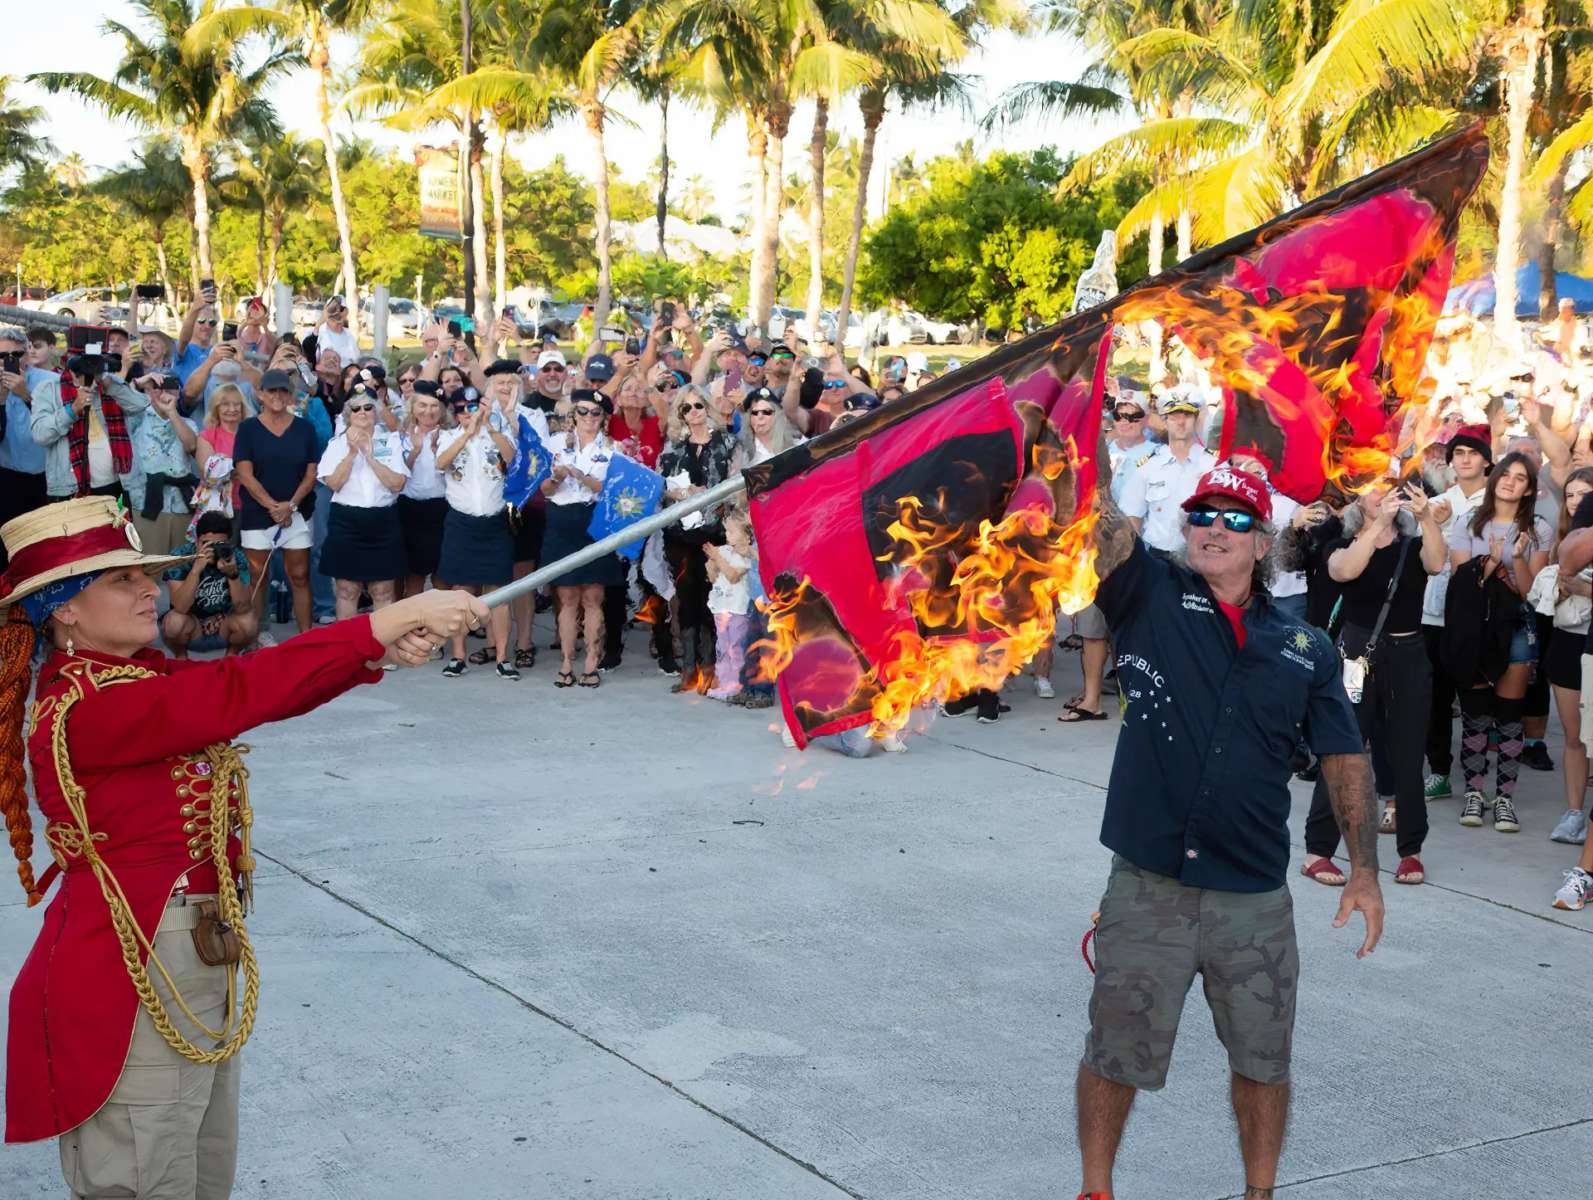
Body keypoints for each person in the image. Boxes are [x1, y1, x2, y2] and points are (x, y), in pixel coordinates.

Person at [0, 494, 485, 1193]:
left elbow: (257, 684)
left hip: (182, 946)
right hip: (135, 958)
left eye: (147, 575)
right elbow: (239, 689)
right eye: (123, 579)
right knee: (149, 1173)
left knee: (197, 1170)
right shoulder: (90, 706)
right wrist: (391, 617)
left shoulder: (129, 679)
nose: (152, 590)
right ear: (65, 608)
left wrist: (373, 649)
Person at [1074, 461, 1380, 1200]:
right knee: (1115, 1054)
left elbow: (1343, 756)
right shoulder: (1146, 592)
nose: (1214, 528)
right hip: (1148, 887)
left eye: (1234, 518)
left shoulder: (1302, 646)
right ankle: (1094, 1190)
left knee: (1262, 1061)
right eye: (1201, 516)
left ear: (1263, 539)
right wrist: (1070, 430)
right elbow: (1092, 513)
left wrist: (1364, 869)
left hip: (1251, 897)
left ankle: (1259, 1192)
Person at [1300, 481, 1445, 887]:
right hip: (1356, 655)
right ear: (1357, 499)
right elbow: (1346, 570)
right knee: (1342, 751)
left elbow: (1436, 563)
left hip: (1409, 655)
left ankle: (1410, 853)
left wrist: (1426, 518)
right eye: (1373, 488)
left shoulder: (1411, 545)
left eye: (1390, 488)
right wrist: (1375, 525)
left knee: (1407, 755)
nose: (1383, 494)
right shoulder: (1340, 541)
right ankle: (1318, 852)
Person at [1446, 450, 1553, 833]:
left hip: (1517, 626)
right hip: (1475, 628)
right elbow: (1461, 582)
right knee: (1475, 714)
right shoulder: (1468, 523)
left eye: (1520, 478)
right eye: (1506, 474)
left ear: (1528, 489)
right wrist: (1490, 564)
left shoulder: (1537, 528)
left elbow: (1530, 592)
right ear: (1496, 479)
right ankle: (1474, 792)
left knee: (1509, 716)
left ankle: (1504, 798)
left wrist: (1518, 559)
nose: (1510, 481)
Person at [1421, 424, 1491, 801]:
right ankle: (1440, 770)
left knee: (1474, 694)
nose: (1464, 460)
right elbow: (1428, 553)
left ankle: (1476, 779)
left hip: (1476, 611)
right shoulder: (1437, 501)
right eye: (1458, 454)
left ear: (1486, 460)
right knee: (1436, 695)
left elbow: (1487, 550)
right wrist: (1439, 526)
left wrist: (1448, 529)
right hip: (1434, 612)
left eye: (1472, 453)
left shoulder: (1497, 500)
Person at [540, 389, 624, 688]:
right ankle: (565, 660)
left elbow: (608, 488)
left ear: (604, 419)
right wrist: (558, 478)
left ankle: (591, 660)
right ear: (574, 415)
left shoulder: (614, 449)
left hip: (594, 522)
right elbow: (545, 490)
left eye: (596, 413)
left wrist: (577, 475)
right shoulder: (555, 444)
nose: (589, 418)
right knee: (566, 597)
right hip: (562, 522)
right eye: (584, 412)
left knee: (593, 597)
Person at [434, 384, 519, 678]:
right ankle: (458, 655)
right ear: (454, 412)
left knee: (499, 593)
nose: (468, 413)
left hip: (494, 521)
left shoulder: (497, 434)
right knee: (461, 593)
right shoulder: (448, 436)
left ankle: (503, 657)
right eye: (462, 409)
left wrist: (489, 428)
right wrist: (467, 434)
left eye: (474, 407)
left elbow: (511, 458)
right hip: (461, 521)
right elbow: (440, 462)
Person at [658, 387, 737, 690]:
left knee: (714, 601)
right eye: (685, 408)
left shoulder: (728, 443)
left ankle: (712, 668)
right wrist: (678, 493)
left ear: (708, 408)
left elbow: (738, 486)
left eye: (698, 405)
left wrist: (714, 499)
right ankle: (689, 670)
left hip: (718, 534)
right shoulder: (673, 448)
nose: (693, 412)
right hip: (681, 536)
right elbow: (662, 487)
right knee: (687, 600)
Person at [233, 369, 320, 637]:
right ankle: (258, 635)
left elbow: (311, 474)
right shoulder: (247, 429)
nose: (278, 396)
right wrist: (274, 507)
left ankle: (306, 636)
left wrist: (290, 506)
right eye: (272, 390)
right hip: (258, 514)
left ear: (291, 394)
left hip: (297, 512)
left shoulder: (305, 428)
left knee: (300, 575)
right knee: (259, 578)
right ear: (260, 394)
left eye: (283, 390)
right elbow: (245, 475)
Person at [317, 382, 409, 621]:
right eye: (356, 409)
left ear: (376, 411)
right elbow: (334, 483)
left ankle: (384, 652)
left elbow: (397, 483)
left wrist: (369, 456)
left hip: (383, 520)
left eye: (369, 407)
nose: (363, 412)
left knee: (383, 590)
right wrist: (351, 453)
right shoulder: (336, 445)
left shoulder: (390, 441)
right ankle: (347, 650)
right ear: (348, 414)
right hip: (346, 521)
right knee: (347, 590)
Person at [1541, 468, 1593, 846]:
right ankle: (1575, 812)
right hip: (1568, 642)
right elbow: (1540, 596)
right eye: (1571, 494)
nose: (1576, 501)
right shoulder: (1563, 538)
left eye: (1584, 494)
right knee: (1575, 736)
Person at [30, 351, 151, 501]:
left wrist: (109, 383)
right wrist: (72, 409)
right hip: (72, 488)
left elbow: (140, 405)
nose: (88, 369)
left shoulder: (108, 384)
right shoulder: (48, 389)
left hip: (118, 484)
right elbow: (40, 435)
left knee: (118, 525)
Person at [1118, 390, 1215, 554]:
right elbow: (1132, 516)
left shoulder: (1214, 467)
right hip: (1158, 558)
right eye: (1174, 416)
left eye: (1187, 415)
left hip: (1202, 557)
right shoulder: (1148, 467)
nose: (1181, 422)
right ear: (1164, 421)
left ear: (1196, 419)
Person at [161, 510, 259, 656]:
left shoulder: (236, 556)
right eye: (206, 544)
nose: (212, 550)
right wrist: (196, 570)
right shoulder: (180, 556)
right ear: (196, 541)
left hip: (225, 626)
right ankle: (180, 658)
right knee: (173, 623)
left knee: (249, 622)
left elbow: (243, 607)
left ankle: (231, 657)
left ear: (229, 543)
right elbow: (180, 607)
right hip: (191, 626)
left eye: (219, 544)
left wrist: (232, 575)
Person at [128, 370, 200, 554]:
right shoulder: (136, 418)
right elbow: (124, 398)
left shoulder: (188, 423)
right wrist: (139, 382)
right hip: (146, 501)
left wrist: (171, 412)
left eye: (171, 387)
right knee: (151, 564)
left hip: (181, 503)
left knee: (179, 564)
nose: (164, 392)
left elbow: (191, 446)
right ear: (148, 391)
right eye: (157, 388)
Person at [0, 326, 54, 546]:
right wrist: (1, 400)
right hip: (4, 476)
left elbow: (56, 427)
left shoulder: (50, 381)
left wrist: (26, 396)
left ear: (27, 352)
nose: (10, 360)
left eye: (16, 354)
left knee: (37, 545)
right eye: (2, 355)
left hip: (43, 478)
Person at [399, 380, 451, 598]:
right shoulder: (401, 436)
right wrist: (416, 449)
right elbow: (398, 476)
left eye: (434, 406)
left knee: (442, 575)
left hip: (442, 508)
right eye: (422, 405)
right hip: (410, 509)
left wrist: (436, 449)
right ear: (412, 408)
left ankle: (442, 626)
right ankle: (414, 625)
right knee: (414, 575)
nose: (428, 411)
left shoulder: (452, 435)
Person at [704, 511, 755, 701]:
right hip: (720, 606)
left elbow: (733, 576)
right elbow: (712, 577)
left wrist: (717, 559)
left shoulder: (745, 554)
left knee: (736, 647)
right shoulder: (723, 551)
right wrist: (711, 563)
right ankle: (724, 682)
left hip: (737, 609)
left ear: (747, 536)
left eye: (732, 532)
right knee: (722, 646)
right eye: (726, 531)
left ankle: (738, 684)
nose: (727, 536)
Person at [195, 382, 248, 526]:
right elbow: (209, 474)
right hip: (217, 509)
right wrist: (244, 468)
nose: (232, 409)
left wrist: (227, 467)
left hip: (249, 506)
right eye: (225, 404)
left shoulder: (252, 435)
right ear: (216, 408)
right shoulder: (207, 436)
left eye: (237, 404)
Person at [314, 296, 360, 367]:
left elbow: (356, 360)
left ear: (346, 312)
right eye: (332, 308)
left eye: (341, 309)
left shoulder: (349, 335)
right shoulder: (317, 334)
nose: (337, 312)